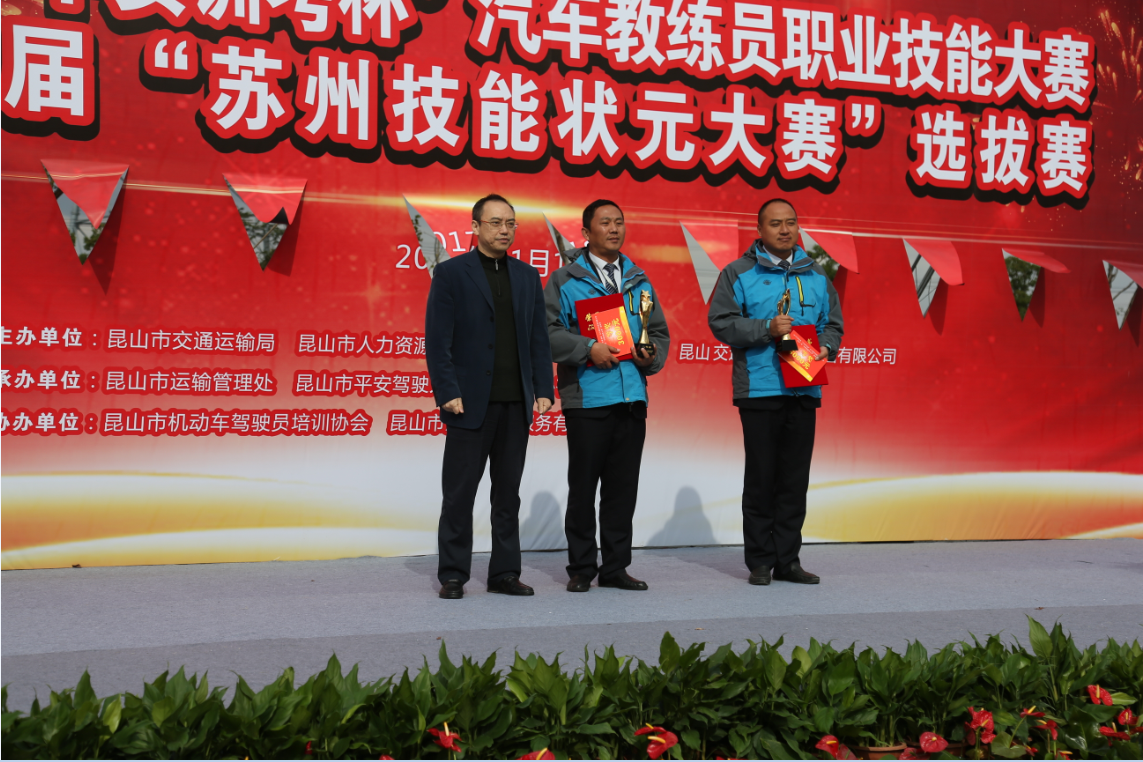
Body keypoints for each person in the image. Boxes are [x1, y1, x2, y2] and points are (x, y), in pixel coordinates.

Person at [707, 198, 843, 586]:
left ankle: (788, 561)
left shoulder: (816, 274)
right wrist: (765, 328)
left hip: (804, 386)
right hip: (760, 388)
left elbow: (833, 324)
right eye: (775, 224)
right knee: (762, 478)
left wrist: (826, 346)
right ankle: (760, 561)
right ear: (760, 230)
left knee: (794, 480)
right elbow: (720, 322)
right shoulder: (738, 272)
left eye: (791, 223)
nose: (785, 230)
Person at [425, 194, 554, 600]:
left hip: (515, 403)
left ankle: (504, 573)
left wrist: (544, 388)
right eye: (495, 222)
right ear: (475, 226)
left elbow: (538, 337)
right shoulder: (451, 273)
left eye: (510, 223)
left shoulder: (527, 276)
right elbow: (437, 340)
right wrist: (447, 391)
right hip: (468, 403)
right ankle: (453, 574)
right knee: (459, 494)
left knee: (507, 495)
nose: (504, 230)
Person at [544, 199, 670, 593]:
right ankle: (582, 567)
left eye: (619, 222)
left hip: (632, 398)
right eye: (605, 223)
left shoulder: (639, 279)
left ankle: (616, 567)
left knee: (622, 489)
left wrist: (651, 355)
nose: (614, 229)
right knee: (583, 488)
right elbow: (546, 332)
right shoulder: (564, 280)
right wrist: (587, 348)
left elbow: (658, 332)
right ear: (586, 232)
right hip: (588, 398)